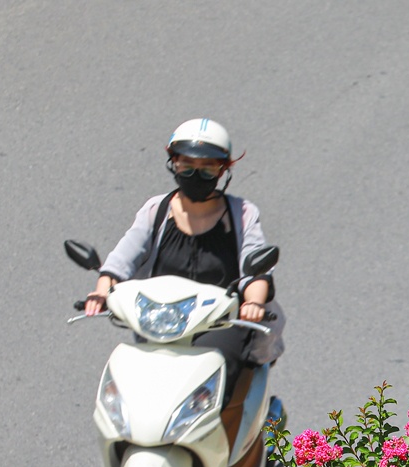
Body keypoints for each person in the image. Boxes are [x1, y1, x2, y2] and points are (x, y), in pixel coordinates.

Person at [85, 118, 284, 379]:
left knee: (220, 373)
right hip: (161, 318)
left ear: (222, 171)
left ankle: (237, 417)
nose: (195, 175)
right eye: (187, 166)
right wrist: (101, 293)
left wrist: (254, 302)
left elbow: (255, 268)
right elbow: (121, 259)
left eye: (207, 168)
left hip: (221, 321)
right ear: (174, 164)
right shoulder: (156, 211)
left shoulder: (242, 213)